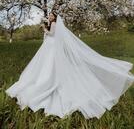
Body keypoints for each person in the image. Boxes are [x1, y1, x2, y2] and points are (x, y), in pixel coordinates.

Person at [5, 13, 134, 119]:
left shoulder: (54, 24)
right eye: (49, 16)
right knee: (45, 66)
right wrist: (46, 28)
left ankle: (50, 80)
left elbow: (52, 34)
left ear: (55, 18)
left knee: (50, 66)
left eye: (51, 16)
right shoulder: (51, 24)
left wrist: (45, 29)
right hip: (49, 48)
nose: (49, 17)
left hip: (51, 48)